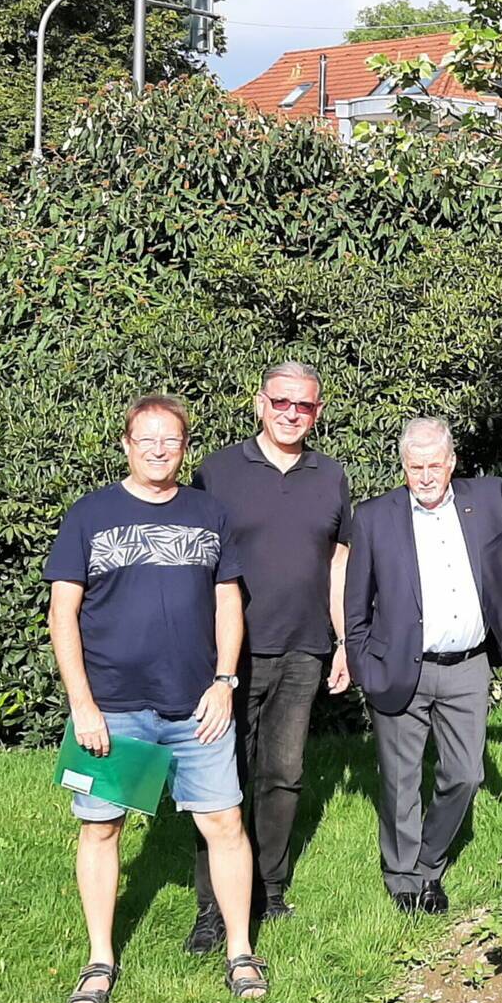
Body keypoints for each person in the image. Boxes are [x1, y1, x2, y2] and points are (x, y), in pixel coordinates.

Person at [45, 395, 268, 1003]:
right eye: (146, 439)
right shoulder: (90, 515)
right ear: (125, 443)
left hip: (197, 708)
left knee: (224, 824)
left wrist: (224, 682)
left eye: (170, 440)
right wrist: (82, 704)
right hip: (113, 709)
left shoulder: (209, 514)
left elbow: (230, 603)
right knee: (101, 828)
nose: (158, 450)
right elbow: (63, 613)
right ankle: (98, 959)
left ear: (184, 446)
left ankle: (241, 952)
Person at [344, 417, 502, 913]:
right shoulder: (373, 517)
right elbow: (355, 606)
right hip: (399, 667)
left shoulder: (490, 498)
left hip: (468, 668)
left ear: (451, 462)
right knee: (399, 781)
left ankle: (430, 861)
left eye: (435, 465)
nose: (426, 476)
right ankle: (404, 876)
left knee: (465, 773)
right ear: (404, 467)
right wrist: (365, 667)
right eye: (416, 467)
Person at [183, 361, 353, 947]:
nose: (291, 414)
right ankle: (211, 909)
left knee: (283, 775)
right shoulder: (218, 471)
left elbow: (337, 564)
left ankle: (269, 889)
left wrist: (343, 640)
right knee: (219, 780)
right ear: (260, 403)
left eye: (303, 406)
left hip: (304, 649)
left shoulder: (331, 476)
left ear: (318, 411)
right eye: (281, 402)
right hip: (231, 655)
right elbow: (194, 564)